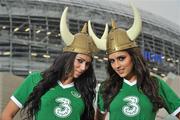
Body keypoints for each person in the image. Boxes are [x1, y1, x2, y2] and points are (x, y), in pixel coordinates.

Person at [1, 7, 104, 120]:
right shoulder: (35, 79)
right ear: (67, 58)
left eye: (87, 64)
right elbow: (6, 115)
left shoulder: (85, 91)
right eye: (79, 61)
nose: (83, 67)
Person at [88, 4, 180, 120]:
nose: (117, 66)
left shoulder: (155, 84)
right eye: (112, 61)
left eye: (121, 58)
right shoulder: (107, 87)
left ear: (133, 57)